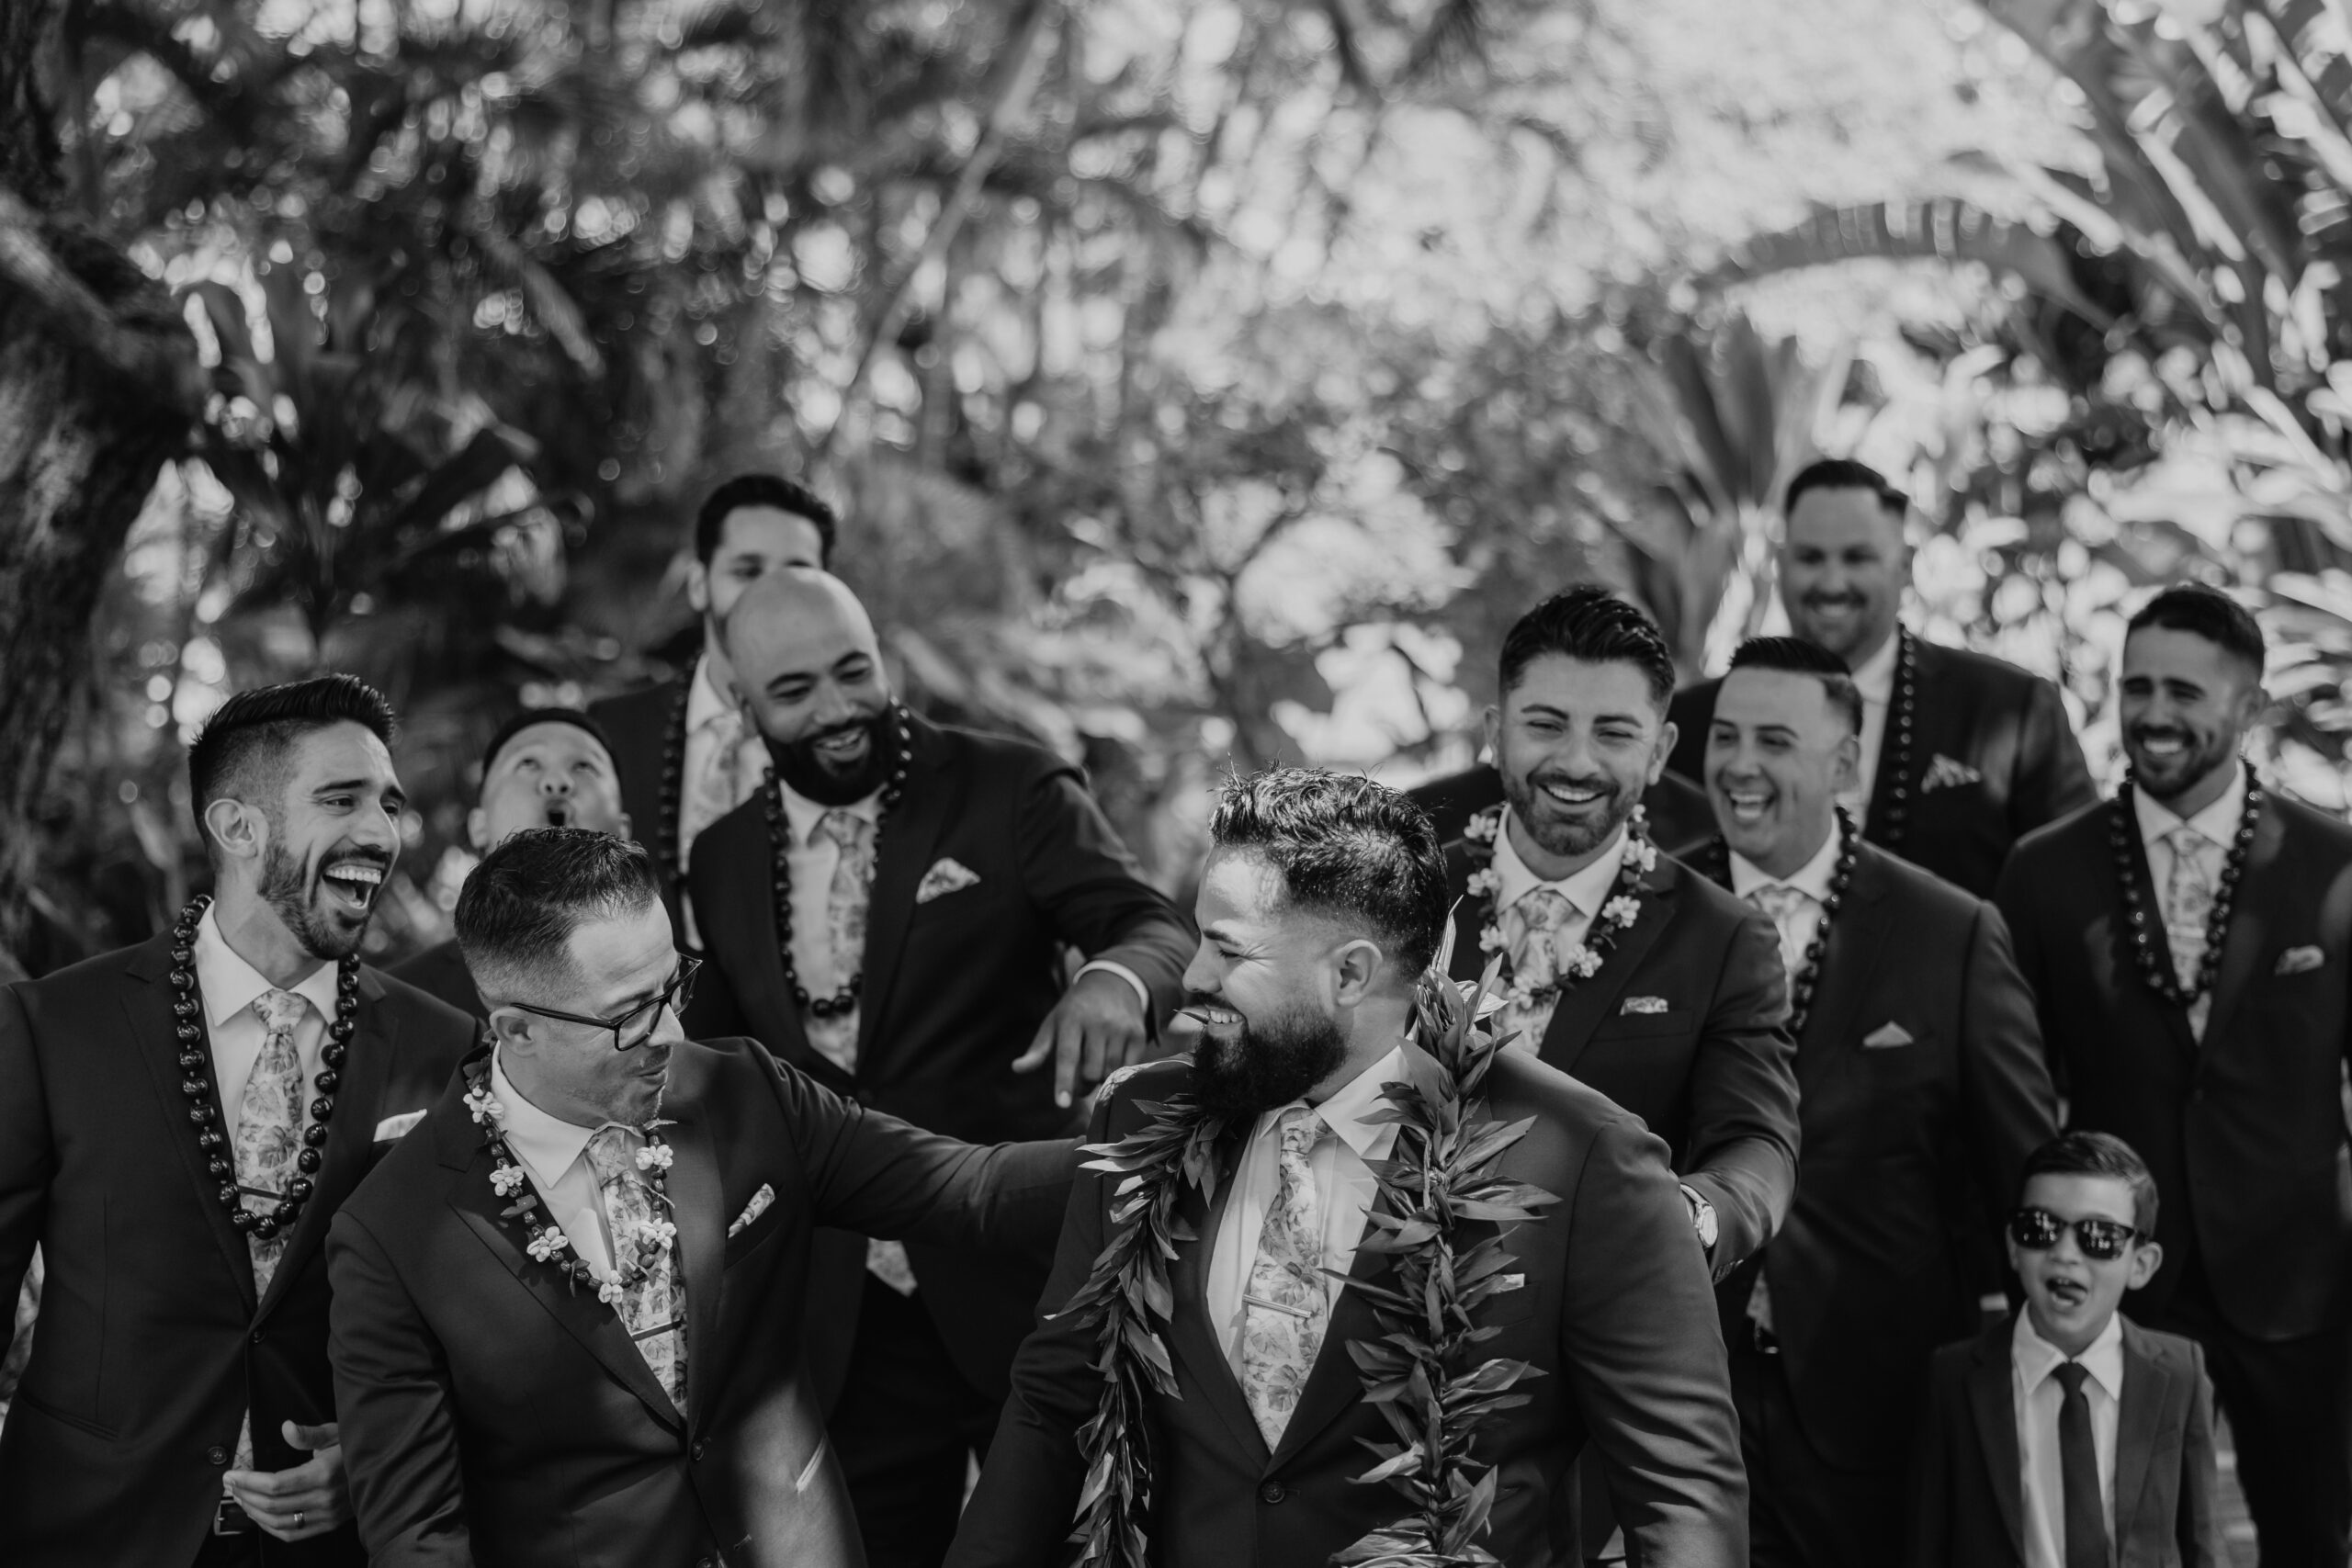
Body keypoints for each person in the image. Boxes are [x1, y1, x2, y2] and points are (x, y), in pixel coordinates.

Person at [946, 767, 1748, 1568]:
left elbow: (1681, 1491)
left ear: (1351, 974)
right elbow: (1053, 1409)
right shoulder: (1143, 1115)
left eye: (1228, 948)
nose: (1192, 977)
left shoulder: (1584, 1158)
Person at [326, 828, 1077, 1567]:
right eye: (629, 1015)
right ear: (515, 1029)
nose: (674, 1031)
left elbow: (971, 1187)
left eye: (673, 987)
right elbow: (416, 1536)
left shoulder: (745, 1091)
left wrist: (1162, 1138)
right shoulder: (392, 1232)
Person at [687, 569, 1193, 1568]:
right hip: (846, 1312)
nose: (836, 710)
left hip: (1026, 1278)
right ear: (745, 709)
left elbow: (1148, 924)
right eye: (795, 692)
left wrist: (1114, 983)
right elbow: (721, 1063)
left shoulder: (1009, 785)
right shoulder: (720, 859)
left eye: (854, 671)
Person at [0, 676, 478, 1567]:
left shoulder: (443, 1046)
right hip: (88, 1531)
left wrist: (374, 1459)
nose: (380, 832)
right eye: (341, 799)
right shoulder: (53, 1025)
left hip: (335, 1548)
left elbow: (477, 1320)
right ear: (237, 826)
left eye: (388, 804)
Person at [1996, 583, 2352, 1566]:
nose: (2152, 713)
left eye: (2184, 693)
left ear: (2248, 707)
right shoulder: (2043, 871)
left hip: (2300, 1284)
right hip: (2117, 1276)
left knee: (2309, 1540)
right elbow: (2012, 1087)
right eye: (2136, 685)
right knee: (2121, 1543)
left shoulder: (2334, 865)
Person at [1692, 636, 2058, 1566]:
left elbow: (2022, 1175)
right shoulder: (1656, 905)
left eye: (1774, 741)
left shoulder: (1952, 933)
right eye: (1724, 736)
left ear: (1843, 762)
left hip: (1878, 1411)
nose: (1739, 764)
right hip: (1677, 1396)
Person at [1436, 586, 1799, 1279]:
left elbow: (1757, 1144)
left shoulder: (1725, 938)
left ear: (1659, 750)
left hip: (1605, 1326)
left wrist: (1694, 1212)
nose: (1577, 762)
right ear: (1494, 729)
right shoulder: (1401, 896)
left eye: (1613, 732)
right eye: (1546, 724)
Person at [1665, 457, 2096, 898]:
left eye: (1857, 558)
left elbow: (2078, 888)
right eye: (1810, 558)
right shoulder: (1692, 723)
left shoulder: (2010, 709)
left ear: (1905, 566)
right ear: (1780, 564)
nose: (1832, 582)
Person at [1909, 1132, 2226, 1568]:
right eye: (2039, 1228)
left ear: (2141, 1263)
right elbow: (1929, 1542)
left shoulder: (2180, 1371)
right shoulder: (1954, 1376)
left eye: (2097, 1236)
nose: (2064, 1254)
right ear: (2013, 1247)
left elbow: (2203, 1542)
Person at [590, 473, 837, 951]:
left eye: (797, 573)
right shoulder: (612, 731)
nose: (771, 593)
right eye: (748, 571)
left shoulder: (852, 743)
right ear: (700, 584)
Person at [390, 707, 630, 1024]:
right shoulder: (403, 1001)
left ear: (624, 831)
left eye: (584, 766)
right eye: (528, 763)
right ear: (478, 826)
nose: (557, 783)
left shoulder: (679, 973)